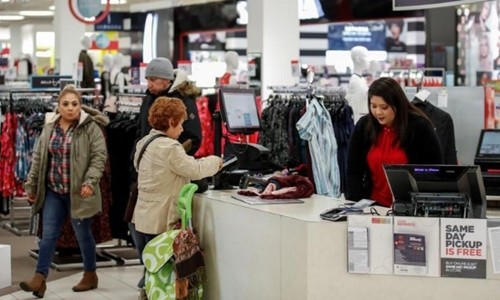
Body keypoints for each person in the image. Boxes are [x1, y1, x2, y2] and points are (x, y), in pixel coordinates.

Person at [20, 84, 108, 297]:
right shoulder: (50, 128)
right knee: (48, 234)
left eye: (74, 104)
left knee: (82, 234)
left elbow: (99, 158)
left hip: (78, 192)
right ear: (58, 106)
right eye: (65, 104)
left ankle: (90, 273)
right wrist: (31, 186)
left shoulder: (90, 128)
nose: (70, 108)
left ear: (81, 105)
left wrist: (90, 182)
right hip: (53, 191)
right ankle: (39, 278)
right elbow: (39, 159)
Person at [132, 97, 222, 300]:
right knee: (164, 270)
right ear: (171, 121)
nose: (182, 129)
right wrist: (216, 161)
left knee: (151, 264)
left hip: (145, 217)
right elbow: (195, 169)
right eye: (180, 123)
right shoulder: (171, 148)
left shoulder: (144, 142)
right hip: (163, 218)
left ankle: (147, 293)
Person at [128, 57, 204, 294]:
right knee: (137, 225)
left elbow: (194, 137)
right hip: (145, 171)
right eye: (148, 79)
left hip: (169, 173)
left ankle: (154, 278)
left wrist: (170, 156)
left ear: (166, 79)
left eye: (152, 79)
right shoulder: (149, 98)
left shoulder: (182, 101)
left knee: (161, 229)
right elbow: (143, 131)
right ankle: (150, 271)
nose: (148, 83)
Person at [346, 77, 443, 207]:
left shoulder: (420, 127)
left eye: (384, 107)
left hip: (410, 209)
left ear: (397, 104)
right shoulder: (364, 126)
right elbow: (354, 171)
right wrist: (356, 206)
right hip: (373, 207)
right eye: (373, 106)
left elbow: (434, 171)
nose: (378, 112)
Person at [346, 46, 369, 123]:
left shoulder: (361, 79)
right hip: (359, 120)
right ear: (358, 59)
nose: (368, 60)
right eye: (366, 56)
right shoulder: (355, 81)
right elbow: (354, 107)